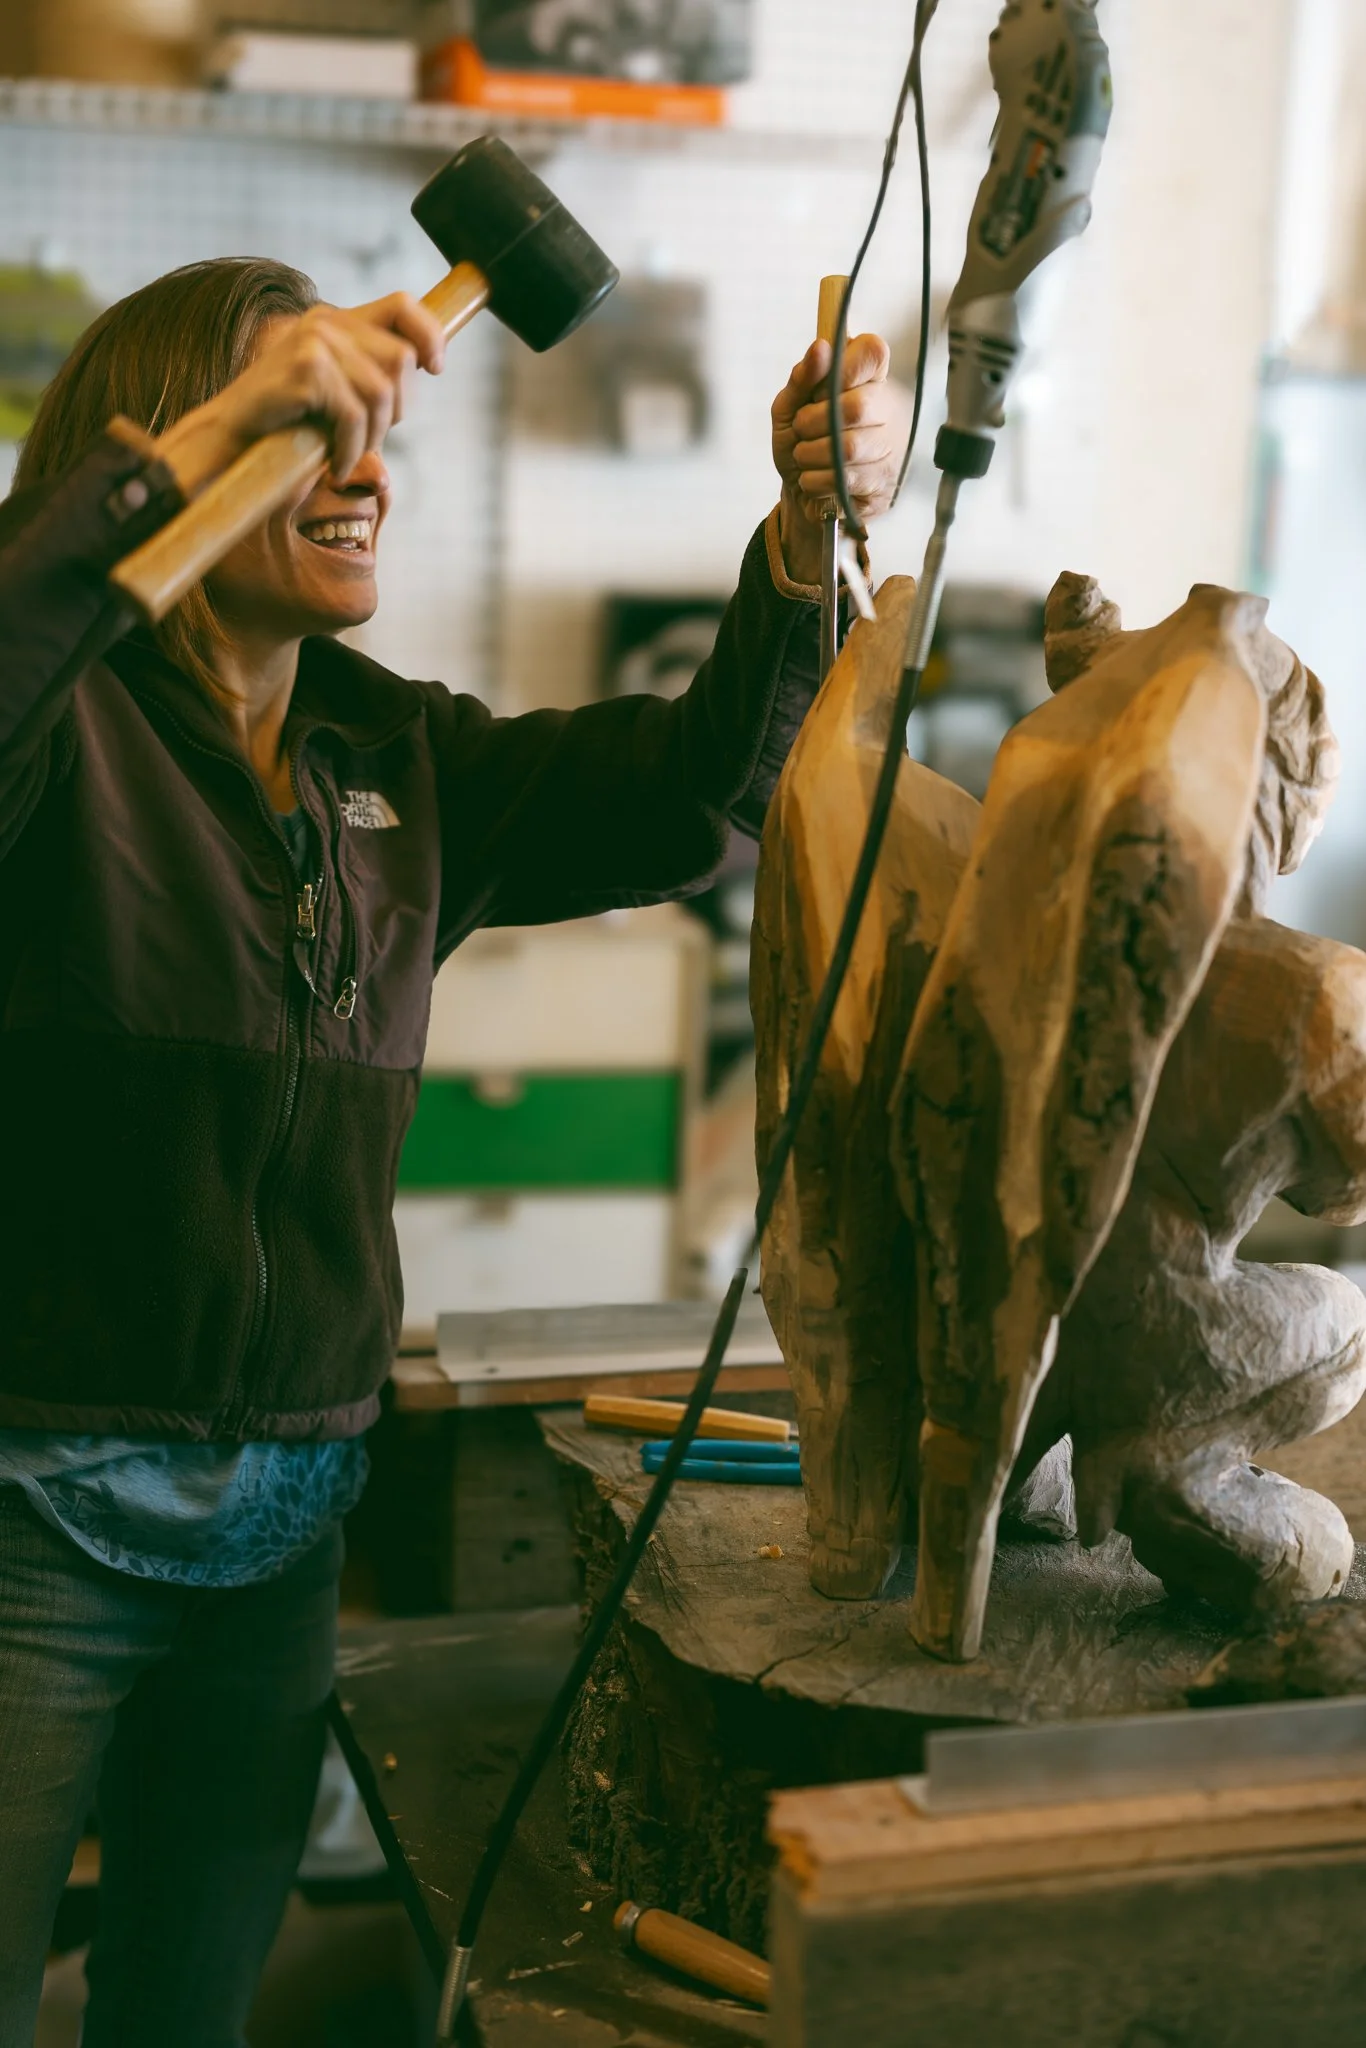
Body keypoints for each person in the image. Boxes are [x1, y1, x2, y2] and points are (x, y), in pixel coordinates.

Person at [0, 254, 903, 2044]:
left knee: (186, 2014)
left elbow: (695, 790)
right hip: (34, 1525)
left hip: (283, 1532)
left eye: (364, 437)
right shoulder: (61, 733)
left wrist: (803, 548)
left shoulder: (389, 750)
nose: (365, 472)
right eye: (309, 432)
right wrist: (174, 466)